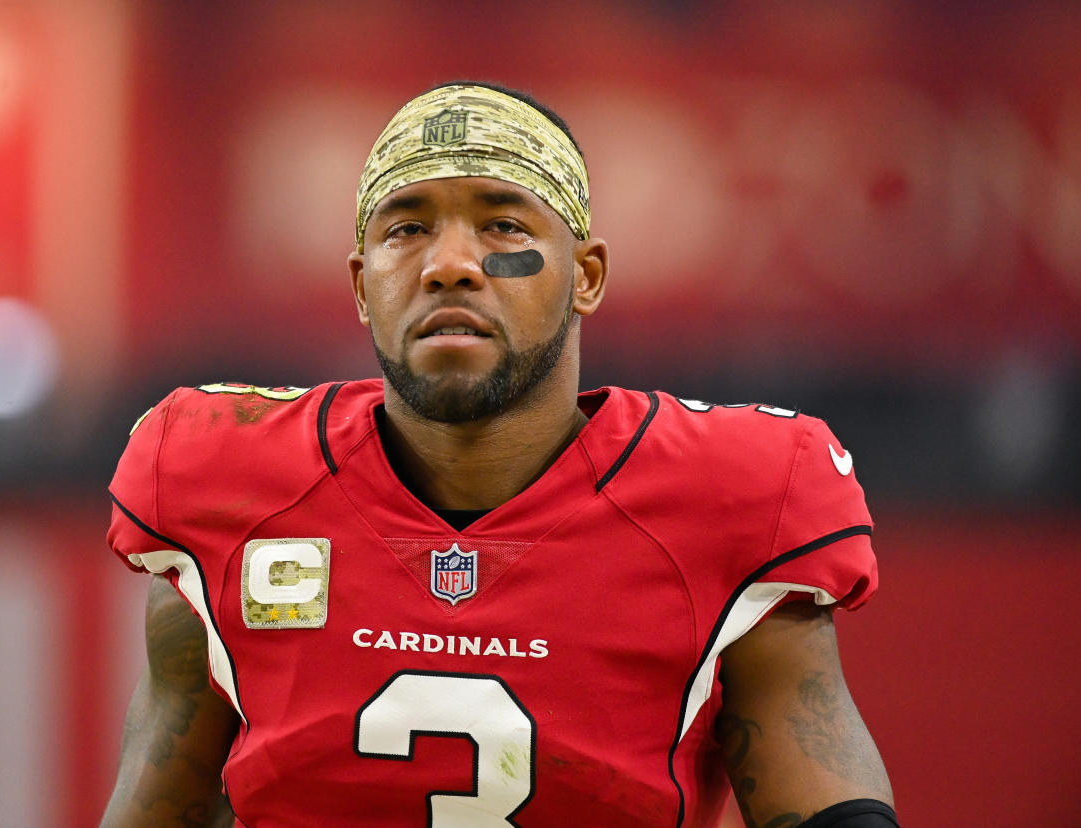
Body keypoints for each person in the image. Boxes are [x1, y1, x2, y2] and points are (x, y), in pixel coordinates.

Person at [101, 82, 897, 828]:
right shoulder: (224, 479)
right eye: (406, 228)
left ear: (585, 276)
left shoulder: (736, 495)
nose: (449, 263)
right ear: (361, 283)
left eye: (504, 226)